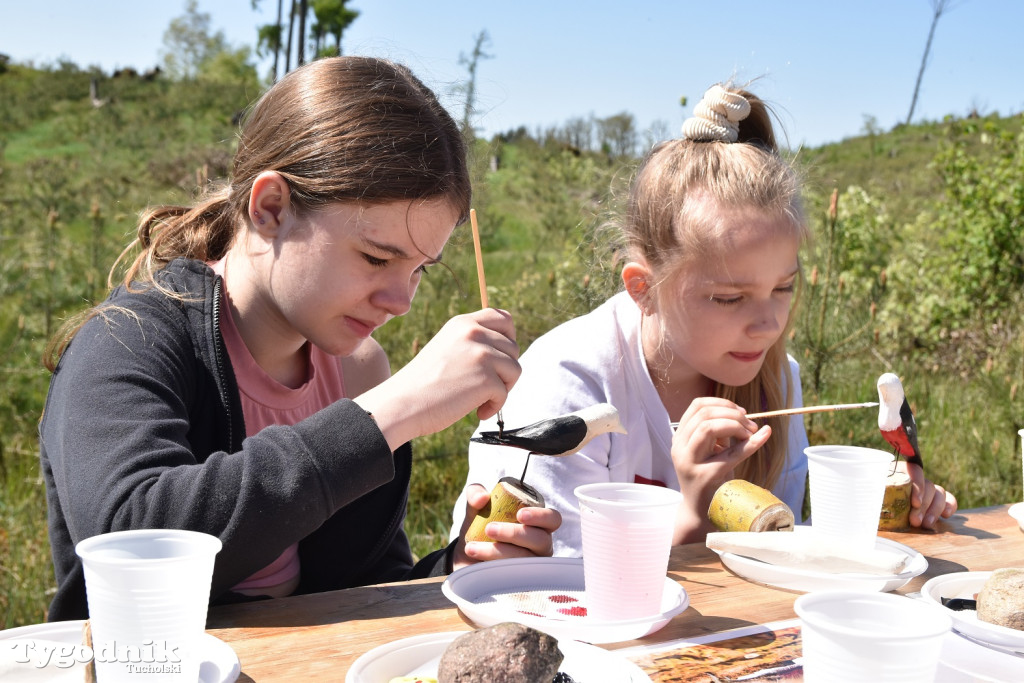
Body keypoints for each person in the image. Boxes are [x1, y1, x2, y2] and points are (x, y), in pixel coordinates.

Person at [39, 56, 560, 622]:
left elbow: (361, 582)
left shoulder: (358, 369)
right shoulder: (130, 338)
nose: (401, 301)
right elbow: (130, 545)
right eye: (376, 257)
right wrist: (391, 412)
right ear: (270, 209)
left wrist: (455, 571)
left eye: (419, 269)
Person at [451, 82, 956, 556]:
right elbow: (561, 583)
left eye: (783, 288)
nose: (767, 326)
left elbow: (770, 554)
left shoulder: (776, 380)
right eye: (730, 299)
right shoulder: (572, 385)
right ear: (643, 288)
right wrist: (695, 510)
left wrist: (891, 513)